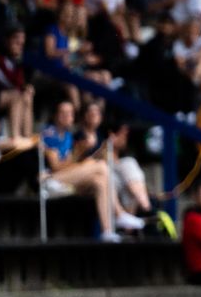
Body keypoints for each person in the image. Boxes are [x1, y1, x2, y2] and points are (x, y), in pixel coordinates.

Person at [42, 98, 139, 239]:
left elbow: (69, 163)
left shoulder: (68, 136)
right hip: (49, 181)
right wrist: (80, 153)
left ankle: (107, 231)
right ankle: (119, 214)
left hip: (64, 180)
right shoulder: (50, 134)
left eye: (70, 113)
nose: (68, 116)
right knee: (99, 166)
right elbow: (56, 167)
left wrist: (80, 153)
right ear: (55, 115)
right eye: (63, 113)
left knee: (99, 181)